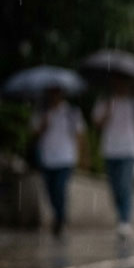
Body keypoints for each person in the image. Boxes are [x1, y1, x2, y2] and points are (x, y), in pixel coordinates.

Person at [31, 86, 85, 237]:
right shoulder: (41, 112)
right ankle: (58, 216)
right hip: (46, 157)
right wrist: (43, 125)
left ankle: (61, 219)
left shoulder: (71, 112)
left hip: (66, 158)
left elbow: (79, 135)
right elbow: (33, 133)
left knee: (60, 189)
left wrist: (80, 156)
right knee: (50, 191)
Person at [92, 76, 134, 238]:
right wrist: (107, 110)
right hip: (110, 149)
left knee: (125, 185)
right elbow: (97, 123)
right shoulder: (105, 102)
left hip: (129, 149)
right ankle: (123, 216)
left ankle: (125, 220)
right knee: (114, 187)